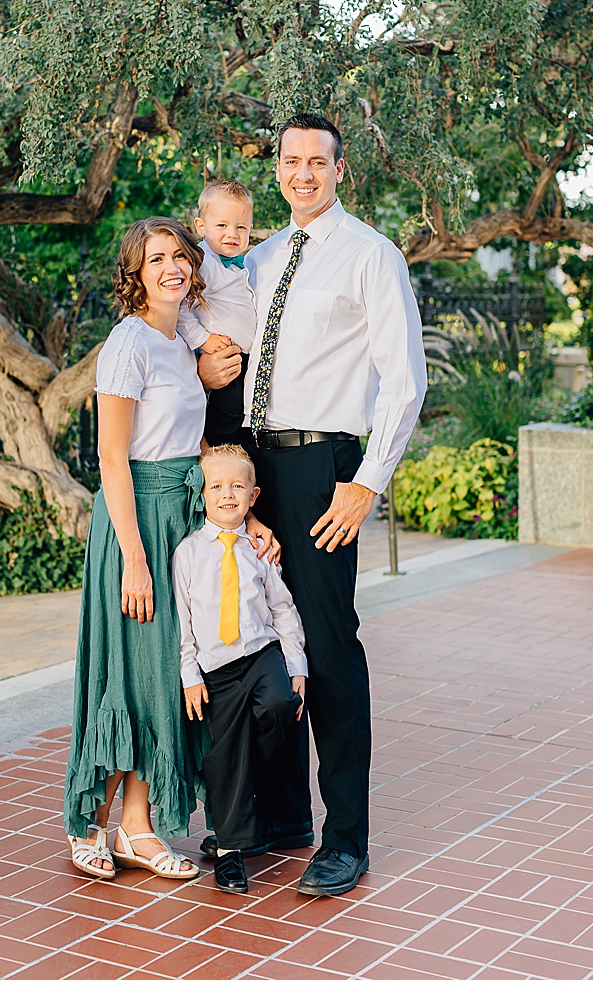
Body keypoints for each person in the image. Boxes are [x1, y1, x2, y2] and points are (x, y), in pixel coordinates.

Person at [199, 112, 426, 898]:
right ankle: (282, 816)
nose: (301, 173)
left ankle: (347, 839)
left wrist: (367, 483)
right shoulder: (253, 261)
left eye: (315, 162)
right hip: (254, 466)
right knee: (255, 636)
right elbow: (218, 337)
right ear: (278, 171)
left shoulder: (372, 256)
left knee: (329, 649)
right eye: (290, 161)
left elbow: (404, 380)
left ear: (340, 168)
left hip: (323, 469)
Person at [63, 217, 280, 882]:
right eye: (156, 259)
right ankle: (90, 825)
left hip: (182, 521)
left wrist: (245, 522)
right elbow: (110, 457)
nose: (173, 268)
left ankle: (138, 825)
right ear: (135, 272)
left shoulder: (176, 341)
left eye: (180, 257)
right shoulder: (128, 343)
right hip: (138, 523)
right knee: (129, 671)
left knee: (163, 674)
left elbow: (197, 441)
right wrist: (131, 555)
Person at [174, 444, 307, 894]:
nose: (227, 494)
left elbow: (283, 609)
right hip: (216, 670)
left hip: (262, 654)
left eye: (237, 486)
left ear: (254, 496)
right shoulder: (188, 554)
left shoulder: (259, 549)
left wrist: (297, 665)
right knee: (225, 757)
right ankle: (232, 851)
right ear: (203, 494)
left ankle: (261, 803)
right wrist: (190, 676)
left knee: (279, 706)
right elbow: (183, 624)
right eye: (216, 486)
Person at [179, 179, 257, 448]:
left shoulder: (242, 265)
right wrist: (203, 340)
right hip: (222, 356)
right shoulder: (204, 262)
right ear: (201, 227)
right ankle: (213, 455)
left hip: (244, 359)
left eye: (241, 227)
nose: (231, 234)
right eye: (221, 225)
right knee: (226, 419)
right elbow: (181, 308)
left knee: (241, 418)